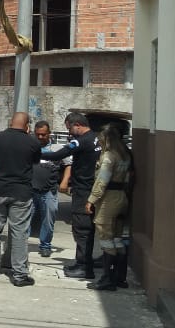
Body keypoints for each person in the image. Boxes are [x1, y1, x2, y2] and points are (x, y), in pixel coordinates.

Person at [0, 112, 41, 287]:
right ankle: (19, 274)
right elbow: (35, 161)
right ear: (27, 126)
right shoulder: (32, 142)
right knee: (19, 233)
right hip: (21, 193)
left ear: (10, 122)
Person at [40, 112, 103, 279]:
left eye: (69, 129)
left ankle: (84, 266)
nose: (69, 133)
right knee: (87, 229)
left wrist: (37, 154)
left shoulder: (81, 141)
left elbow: (58, 155)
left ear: (77, 125)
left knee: (82, 229)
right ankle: (82, 262)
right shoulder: (95, 138)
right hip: (90, 188)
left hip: (83, 191)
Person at [85, 123, 133, 291]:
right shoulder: (125, 155)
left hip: (109, 199)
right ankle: (120, 277)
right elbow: (128, 179)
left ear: (106, 139)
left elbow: (102, 180)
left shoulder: (109, 156)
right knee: (117, 237)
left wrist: (91, 200)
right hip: (122, 197)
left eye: (101, 139)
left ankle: (107, 279)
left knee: (106, 236)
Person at [31, 120, 72, 258]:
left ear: (49, 133)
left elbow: (68, 165)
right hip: (30, 190)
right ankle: (21, 244)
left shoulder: (57, 148)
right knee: (24, 219)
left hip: (49, 190)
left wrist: (64, 181)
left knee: (48, 219)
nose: (40, 137)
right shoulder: (30, 147)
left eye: (43, 134)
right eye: (38, 134)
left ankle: (45, 245)